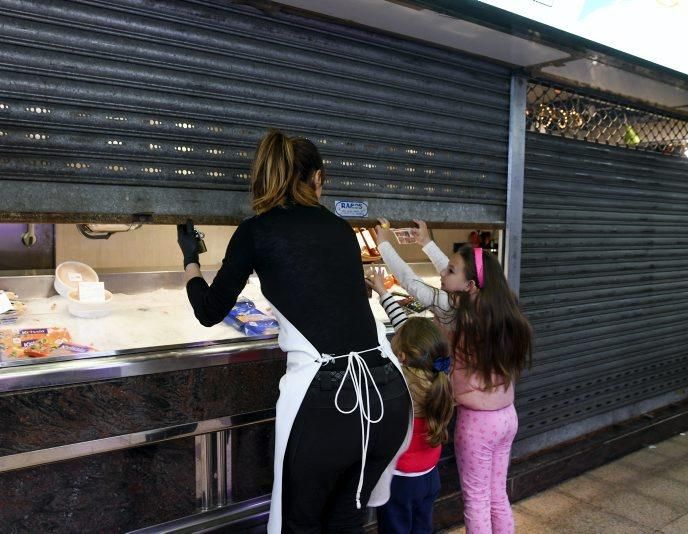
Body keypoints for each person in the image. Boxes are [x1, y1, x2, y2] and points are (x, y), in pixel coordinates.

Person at [176, 130, 412, 533]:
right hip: (387, 392)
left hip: (327, 403)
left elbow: (210, 311)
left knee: (300, 526)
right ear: (316, 178)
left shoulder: (256, 230)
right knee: (345, 522)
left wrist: (191, 260)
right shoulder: (342, 228)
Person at [374, 219, 532, 534]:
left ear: (469, 285)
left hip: (478, 424)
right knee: (497, 495)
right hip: (506, 416)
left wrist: (384, 245)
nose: (444, 273)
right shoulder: (496, 310)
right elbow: (458, 273)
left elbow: (411, 282)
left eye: (450, 271)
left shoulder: (456, 312)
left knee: (475, 500)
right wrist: (426, 243)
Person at [366, 268, 455, 534]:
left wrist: (363, 300)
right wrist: (384, 293)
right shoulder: (439, 375)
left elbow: (378, 338)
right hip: (429, 477)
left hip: (400, 482)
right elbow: (410, 332)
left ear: (402, 356)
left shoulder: (399, 386)